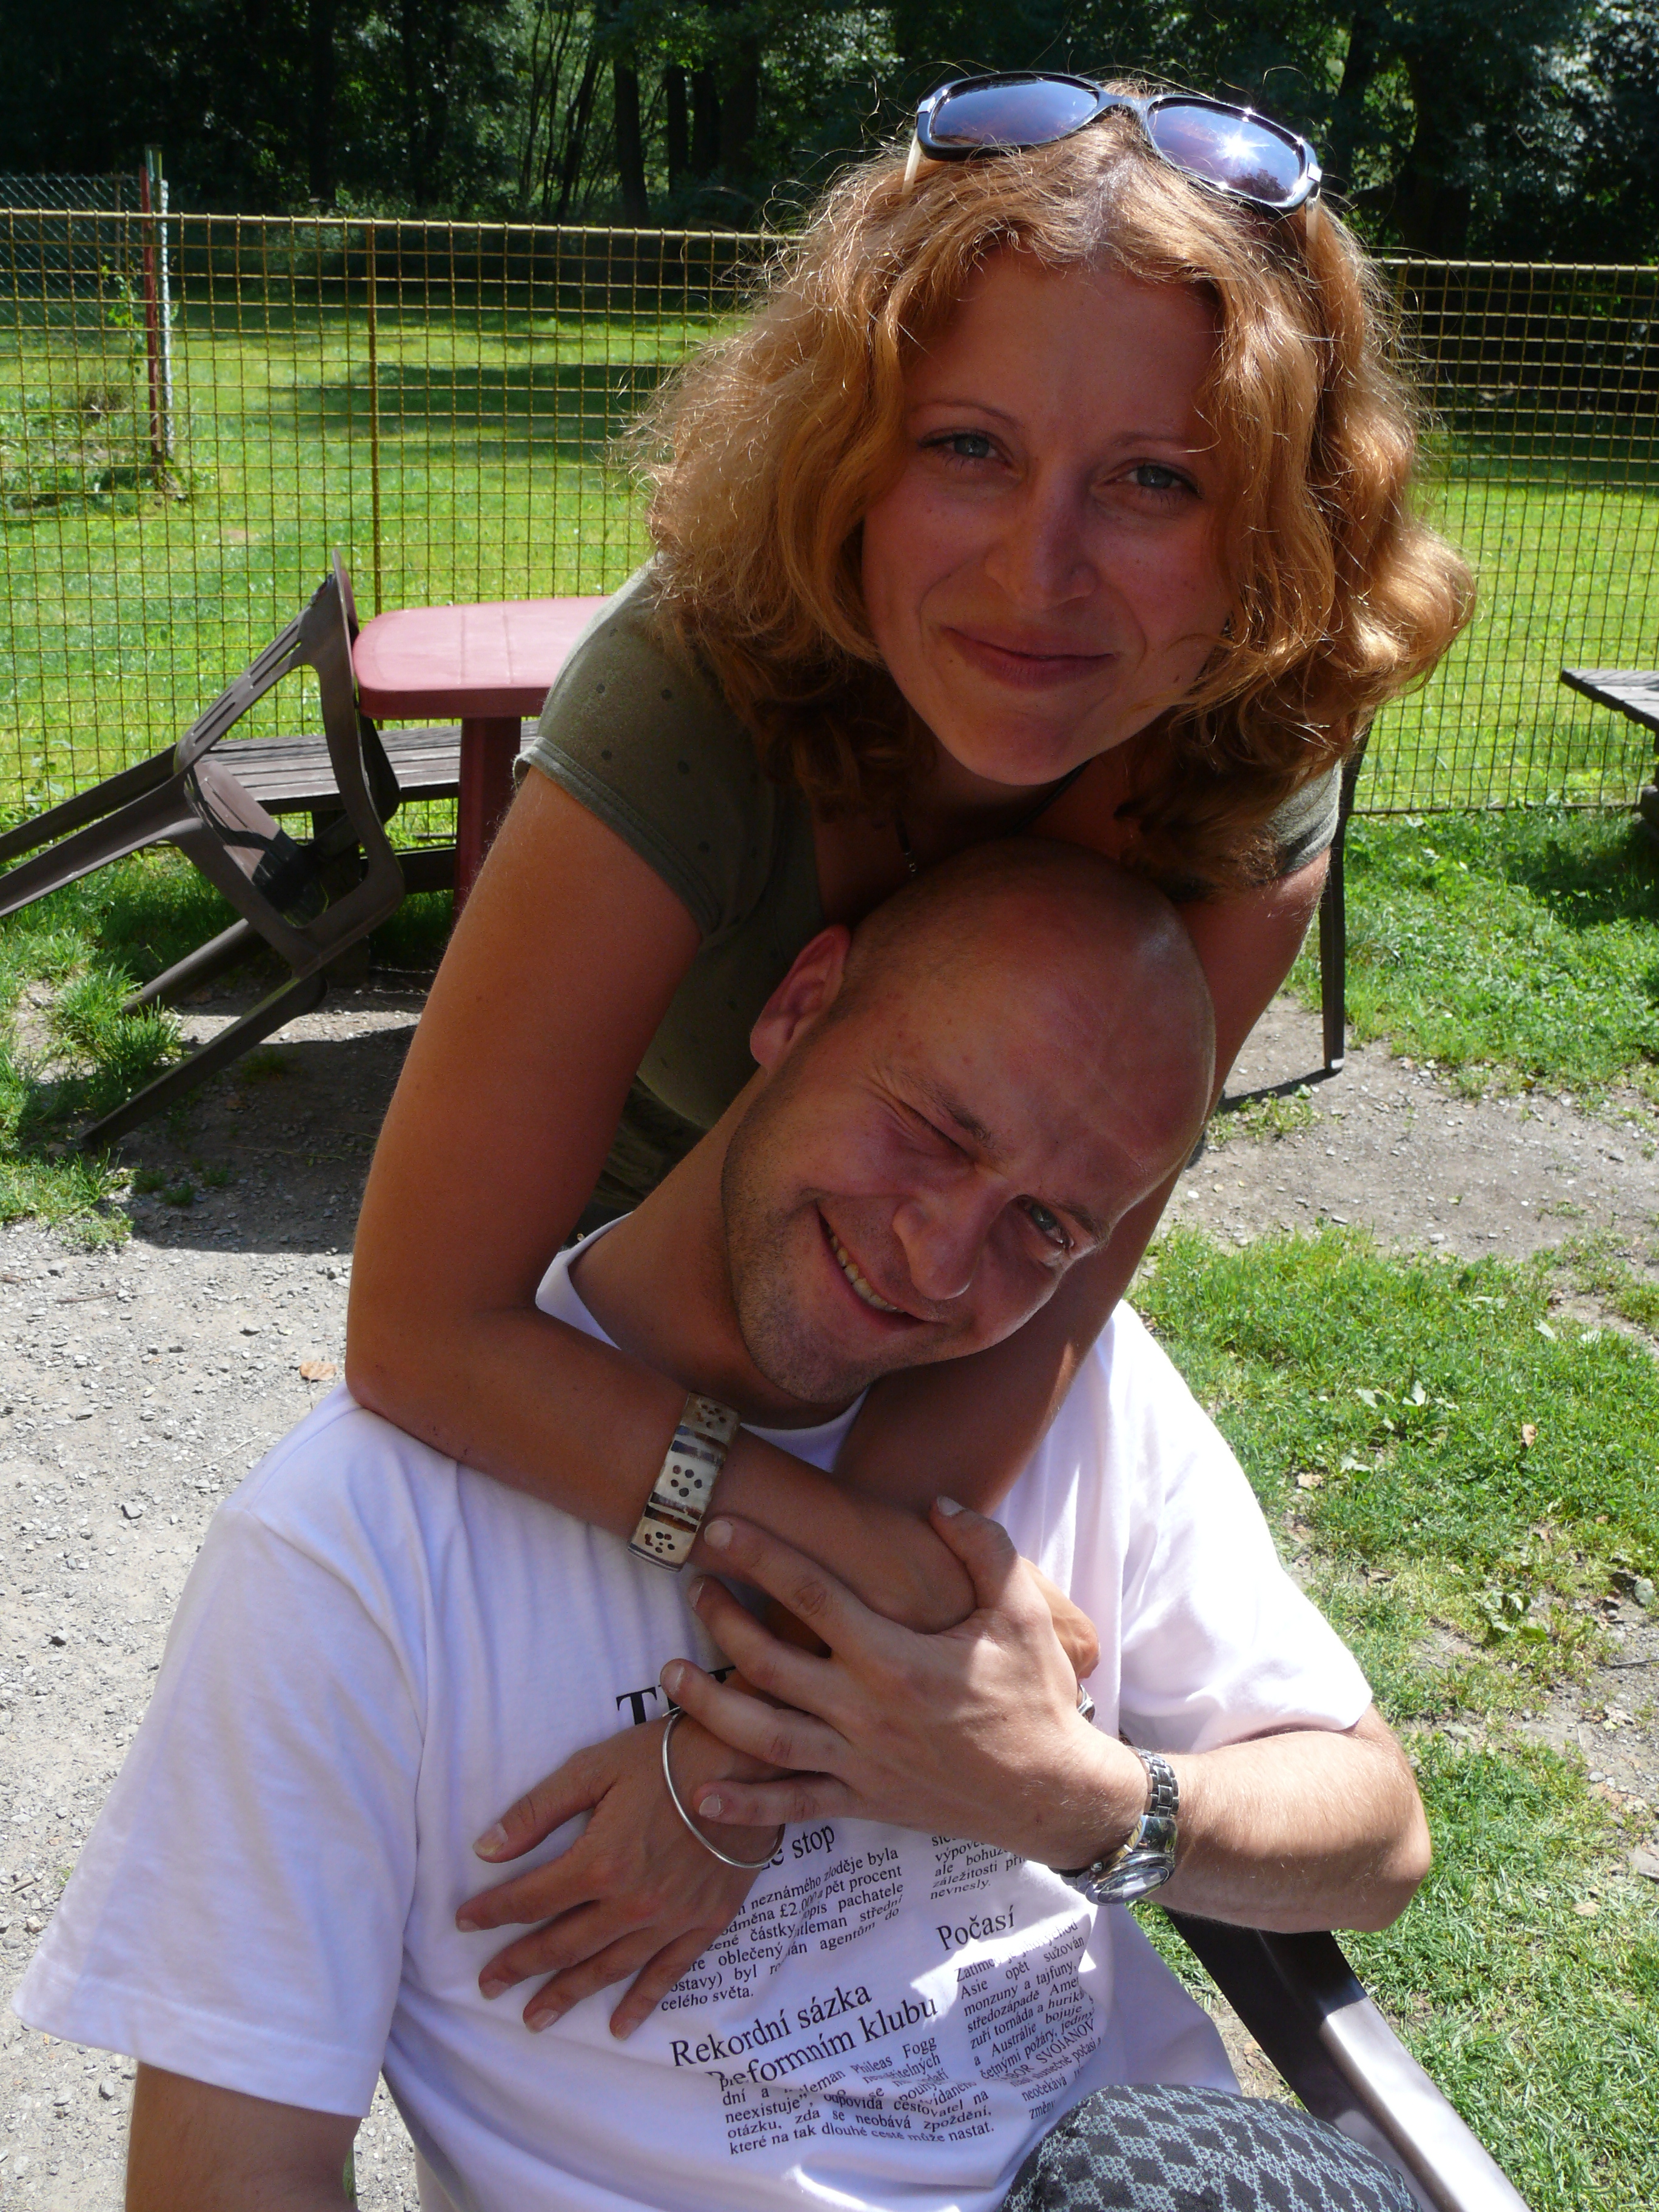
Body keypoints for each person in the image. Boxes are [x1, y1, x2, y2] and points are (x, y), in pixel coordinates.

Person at [16, 845, 1429, 2212]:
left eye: (1048, 1227)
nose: (940, 1263)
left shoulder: (1085, 1391)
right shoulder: (359, 1543)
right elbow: (227, 2176)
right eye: (940, 1130)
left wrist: (1080, 1800)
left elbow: (1378, 1836)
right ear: (799, 1005)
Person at [347, 72, 1474, 1574]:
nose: (1037, 576)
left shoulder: (1255, 748)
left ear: (1274, 526)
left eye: (1154, 479)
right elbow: (426, 1330)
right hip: (594, 1320)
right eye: (967, 448)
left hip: (921, 1352)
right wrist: (840, 1572)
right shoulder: (685, 690)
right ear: (850, 455)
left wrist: (861, 1630)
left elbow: (1049, 1306)